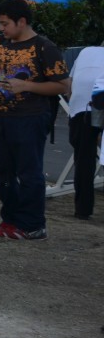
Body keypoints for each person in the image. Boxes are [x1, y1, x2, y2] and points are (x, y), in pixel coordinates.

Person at [0, 0, 70, 240]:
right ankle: (11, 220)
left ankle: (33, 225)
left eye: (5, 23)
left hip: (30, 118)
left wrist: (26, 85)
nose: (1, 28)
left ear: (22, 22)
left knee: (29, 172)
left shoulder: (44, 47)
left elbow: (63, 85)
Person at [67, 43, 104, 220]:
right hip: (97, 101)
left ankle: (83, 209)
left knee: (84, 160)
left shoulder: (85, 51)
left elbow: (70, 83)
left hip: (82, 107)